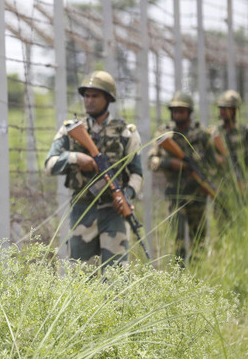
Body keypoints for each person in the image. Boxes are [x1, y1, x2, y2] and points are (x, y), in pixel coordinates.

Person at [44, 70, 142, 270]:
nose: (89, 101)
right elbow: (50, 164)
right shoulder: (70, 130)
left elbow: (136, 173)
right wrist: (75, 158)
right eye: (86, 96)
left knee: (116, 282)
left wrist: (126, 195)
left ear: (108, 98)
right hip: (82, 211)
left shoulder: (126, 132)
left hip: (113, 213)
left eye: (95, 96)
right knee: (80, 281)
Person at [148, 92, 214, 266]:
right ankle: (178, 279)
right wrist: (171, 163)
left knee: (199, 239)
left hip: (197, 195)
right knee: (176, 240)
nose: (177, 114)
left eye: (181, 111)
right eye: (175, 111)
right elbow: (151, 161)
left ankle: (198, 276)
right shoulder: (164, 134)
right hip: (175, 195)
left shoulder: (200, 135)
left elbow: (212, 163)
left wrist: (207, 181)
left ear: (189, 112)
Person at [209, 90, 248, 214]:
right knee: (221, 221)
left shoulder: (245, 132)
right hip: (221, 184)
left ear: (235, 110)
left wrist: (247, 179)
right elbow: (208, 156)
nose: (223, 111)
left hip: (240, 180)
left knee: (244, 217)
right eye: (221, 108)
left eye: (227, 108)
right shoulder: (214, 132)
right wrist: (217, 159)